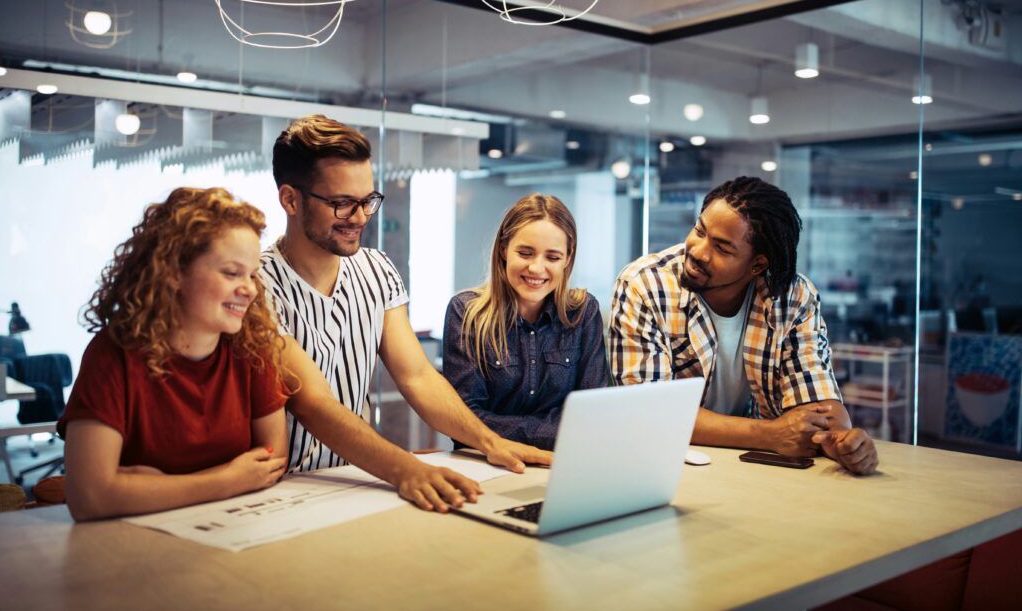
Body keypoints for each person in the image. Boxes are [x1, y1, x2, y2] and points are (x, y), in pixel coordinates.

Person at [260, 115, 552, 512]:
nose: (361, 216)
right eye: (342, 203)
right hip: (280, 491)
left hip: (354, 480)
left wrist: (490, 443)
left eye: (368, 200)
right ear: (291, 200)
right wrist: (406, 469)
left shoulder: (377, 269)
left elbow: (417, 377)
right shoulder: (256, 284)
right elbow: (312, 402)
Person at [610, 176, 879, 474]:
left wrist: (842, 441)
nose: (698, 251)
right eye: (699, 230)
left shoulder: (792, 297)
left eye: (723, 248)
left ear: (758, 265)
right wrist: (770, 434)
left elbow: (820, 408)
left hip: (750, 468)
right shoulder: (644, 285)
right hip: (666, 464)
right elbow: (648, 412)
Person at [59, 188, 292, 521]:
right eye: (231, 273)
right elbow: (89, 497)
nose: (250, 289)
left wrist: (151, 487)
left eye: (252, 274)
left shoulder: (252, 348)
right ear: (172, 271)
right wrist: (226, 480)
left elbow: (270, 462)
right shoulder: (113, 355)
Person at [442, 194, 608, 450]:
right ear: (504, 249)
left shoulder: (583, 313)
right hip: (486, 465)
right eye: (525, 253)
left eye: (552, 257)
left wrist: (505, 427)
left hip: (564, 463)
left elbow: (592, 413)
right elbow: (465, 420)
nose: (536, 268)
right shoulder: (466, 313)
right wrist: (555, 431)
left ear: (567, 259)